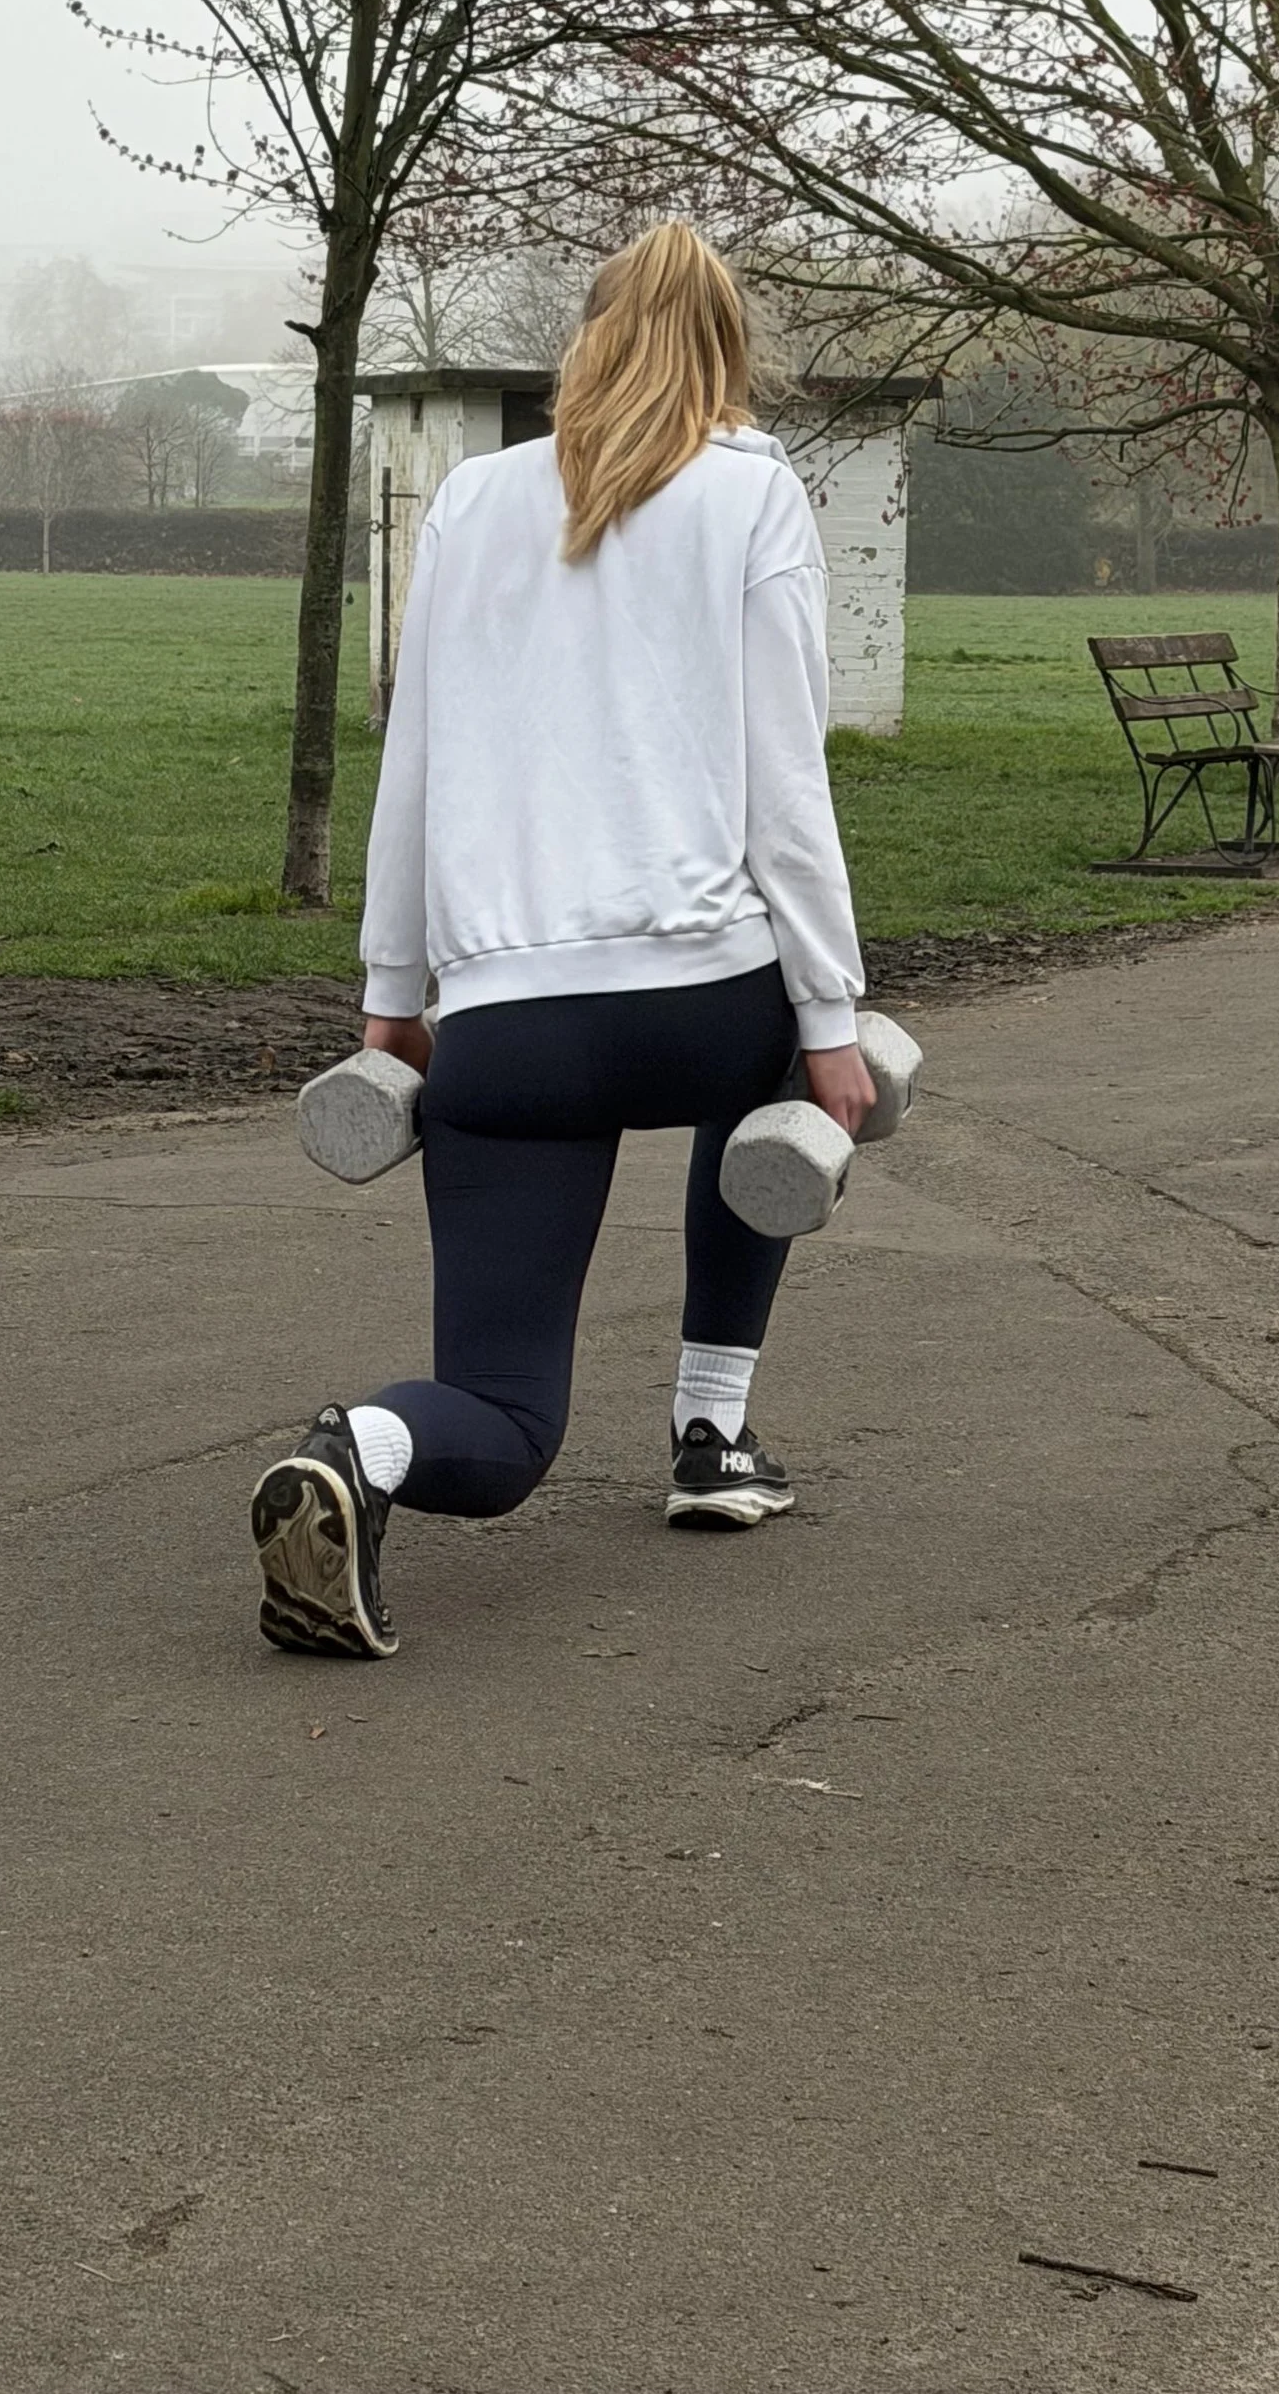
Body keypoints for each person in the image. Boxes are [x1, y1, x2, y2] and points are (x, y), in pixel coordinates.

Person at [249, 223, 875, 1658]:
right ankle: (712, 1432)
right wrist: (831, 1024)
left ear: (580, 346)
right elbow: (788, 785)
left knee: (506, 1420)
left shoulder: (470, 501)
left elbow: (415, 756)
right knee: (787, 1082)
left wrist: (390, 999)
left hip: (507, 1027)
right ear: (730, 354)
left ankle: (361, 1449)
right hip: (710, 1009)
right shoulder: (756, 498)